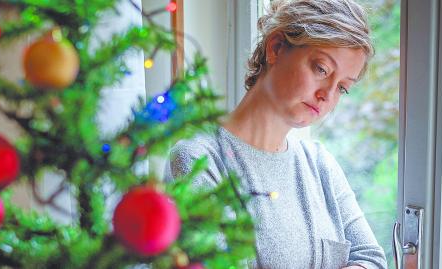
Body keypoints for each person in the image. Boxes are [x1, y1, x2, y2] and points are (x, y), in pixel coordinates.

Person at [164, 0, 388, 268]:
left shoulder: (319, 163)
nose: (327, 96)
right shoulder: (198, 160)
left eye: (342, 87)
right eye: (321, 69)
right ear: (276, 47)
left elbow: (371, 259)